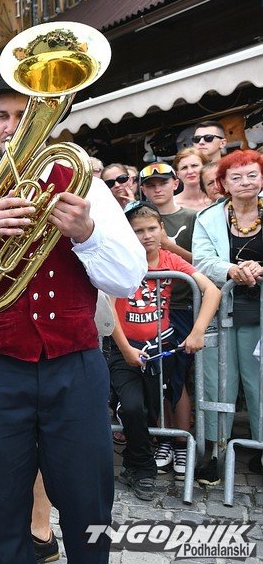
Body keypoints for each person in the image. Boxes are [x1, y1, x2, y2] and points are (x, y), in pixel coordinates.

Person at [0, 79, 146, 564]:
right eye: (2, 116)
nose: (13, 127)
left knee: (89, 498)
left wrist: (88, 234)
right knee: (3, 502)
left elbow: (128, 279)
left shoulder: (87, 187)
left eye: (25, 115)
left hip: (74, 364)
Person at [110, 202, 219, 500]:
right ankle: (143, 469)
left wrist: (198, 331)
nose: (146, 236)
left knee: (155, 407)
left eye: (151, 229)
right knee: (132, 407)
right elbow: (108, 307)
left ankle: (138, 462)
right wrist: (125, 349)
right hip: (125, 349)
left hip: (161, 347)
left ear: (162, 230)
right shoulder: (120, 261)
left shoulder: (171, 259)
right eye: (138, 231)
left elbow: (212, 290)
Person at [192, 149, 263, 484]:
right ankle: (215, 453)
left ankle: (261, 449)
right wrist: (232, 270)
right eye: (236, 177)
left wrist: (259, 268)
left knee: (260, 383)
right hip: (221, 311)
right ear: (223, 183)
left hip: (259, 314)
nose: (245, 182)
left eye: (252, 175)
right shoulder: (208, 218)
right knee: (217, 383)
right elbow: (202, 260)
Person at [137, 163, 198, 477]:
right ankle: (163, 439)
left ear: (175, 183)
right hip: (147, 308)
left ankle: (181, 442)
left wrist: (168, 246)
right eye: (150, 185)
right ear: (143, 189)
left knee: (177, 378)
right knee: (155, 376)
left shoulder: (192, 217)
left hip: (182, 306)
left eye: (162, 182)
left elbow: (203, 263)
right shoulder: (135, 218)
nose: (157, 188)